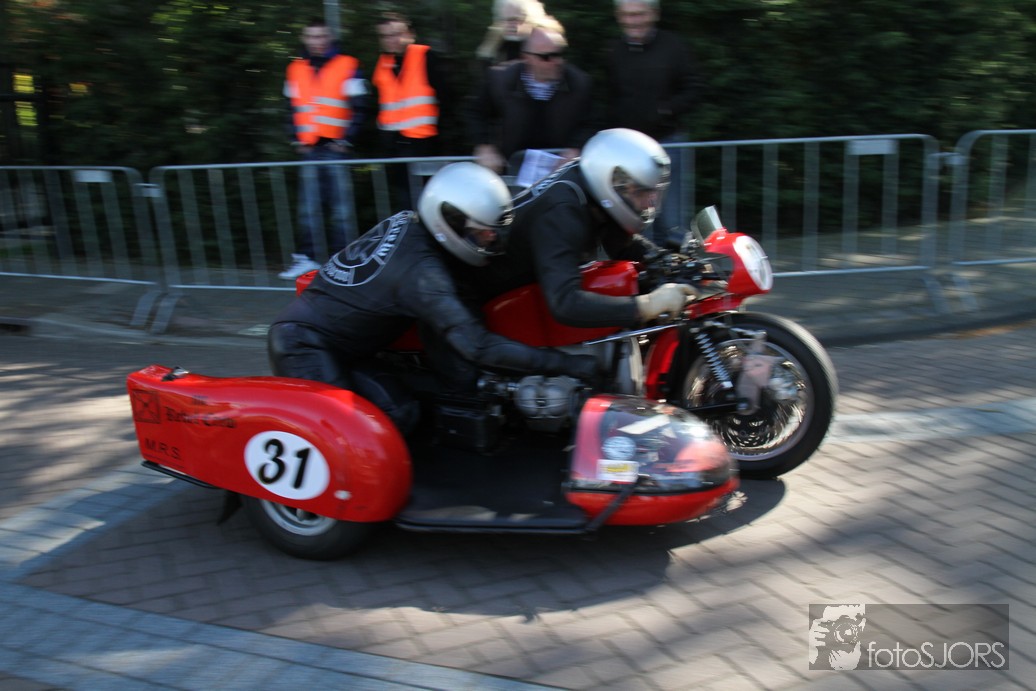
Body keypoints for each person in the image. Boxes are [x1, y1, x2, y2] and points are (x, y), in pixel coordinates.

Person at [267, 162, 599, 436]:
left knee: (418, 405)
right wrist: (570, 365)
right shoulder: (421, 273)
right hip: (307, 346)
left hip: (349, 346)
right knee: (368, 432)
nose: (491, 240)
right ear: (449, 220)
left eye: (495, 232)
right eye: (482, 233)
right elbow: (479, 346)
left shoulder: (413, 225)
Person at [469, 127, 698, 329]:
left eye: (654, 193)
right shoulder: (562, 212)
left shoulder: (592, 185)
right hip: (480, 306)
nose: (649, 203)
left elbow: (620, 243)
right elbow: (565, 303)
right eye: (642, 192)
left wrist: (665, 260)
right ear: (614, 183)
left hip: (520, 299)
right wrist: (647, 305)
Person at [606, 0, 703, 247]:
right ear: (619, 16)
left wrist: (665, 110)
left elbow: (694, 88)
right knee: (638, 224)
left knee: (672, 224)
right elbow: (610, 96)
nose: (633, 21)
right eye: (627, 15)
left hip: (668, 144)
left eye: (639, 14)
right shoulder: (614, 50)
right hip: (629, 151)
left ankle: (676, 269)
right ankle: (646, 271)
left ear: (654, 14)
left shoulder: (673, 46)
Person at [279, 18, 368, 281]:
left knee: (341, 210)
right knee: (308, 208)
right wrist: (294, 138)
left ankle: (344, 260)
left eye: (321, 36)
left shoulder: (348, 64)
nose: (317, 42)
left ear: (329, 38)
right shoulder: (295, 68)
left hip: (335, 147)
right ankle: (307, 259)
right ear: (304, 38)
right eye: (312, 36)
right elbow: (289, 107)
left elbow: (360, 106)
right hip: (309, 147)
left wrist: (348, 139)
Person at [467, 18, 594, 176]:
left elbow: (591, 122)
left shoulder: (579, 82)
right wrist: (484, 146)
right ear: (527, 58)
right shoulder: (499, 80)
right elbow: (475, 113)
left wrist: (575, 148)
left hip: (561, 174)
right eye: (546, 57)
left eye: (559, 54)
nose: (557, 61)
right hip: (512, 172)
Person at [370, 11, 451, 209]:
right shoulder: (382, 66)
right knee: (406, 207)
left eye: (396, 34)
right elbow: (378, 107)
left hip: (427, 147)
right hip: (395, 149)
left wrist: (445, 146)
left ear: (410, 34)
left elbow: (448, 101)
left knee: (432, 205)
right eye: (385, 36)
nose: (391, 40)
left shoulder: (427, 58)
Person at [474, 0, 546, 72]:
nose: (511, 24)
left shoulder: (544, 44)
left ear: (530, 20)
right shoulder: (497, 44)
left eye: (517, 19)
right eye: (506, 19)